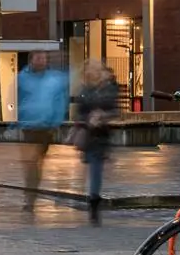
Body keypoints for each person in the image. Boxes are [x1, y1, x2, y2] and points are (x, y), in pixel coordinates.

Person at [14, 53, 69, 211]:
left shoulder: (53, 80)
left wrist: (55, 122)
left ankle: (31, 192)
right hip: (28, 126)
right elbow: (19, 99)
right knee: (30, 162)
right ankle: (30, 196)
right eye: (38, 58)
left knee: (37, 162)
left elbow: (59, 101)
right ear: (31, 60)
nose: (41, 61)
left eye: (44, 58)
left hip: (45, 126)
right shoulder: (23, 78)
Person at [73, 60, 120, 224]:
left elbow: (115, 110)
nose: (94, 72)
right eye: (91, 69)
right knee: (93, 168)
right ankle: (93, 199)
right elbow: (78, 113)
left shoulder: (108, 88)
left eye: (96, 69)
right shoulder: (84, 90)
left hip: (101, 135)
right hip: (88, 133)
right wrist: (87, 119)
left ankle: (94, 201)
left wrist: (103, 116)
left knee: (96, 169)